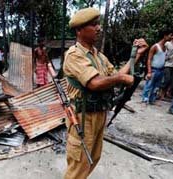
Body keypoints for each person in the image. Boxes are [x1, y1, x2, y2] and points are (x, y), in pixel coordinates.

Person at [63, 8, 149, 179]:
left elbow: (116, 73)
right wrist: (122, 78)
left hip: (100, 113)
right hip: (83, 117)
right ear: (79, 30)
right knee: (79, 164)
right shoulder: (74, 55)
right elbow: (94, 83)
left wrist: (136, 56)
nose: (98, 28)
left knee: (93, 158)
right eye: (94, 25)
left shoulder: (99, 56)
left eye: (98, 24)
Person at [141, 29, 173, 104]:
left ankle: (152, 99)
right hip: (154, 69)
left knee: (156, 87)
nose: (171, 37)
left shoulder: (165, 47)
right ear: (165, 36)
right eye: (170, 35)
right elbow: (149, 59)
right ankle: (145, 99)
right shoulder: (155, 46)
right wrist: (149, 71)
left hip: (161, 70)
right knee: (149, 85)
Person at [160, 31, 173, 99]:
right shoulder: (167, 43)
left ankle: (165, 94)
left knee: (171, 81)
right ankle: (160, 94)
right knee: (167, 79)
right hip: (167, 64)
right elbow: (162, 51)